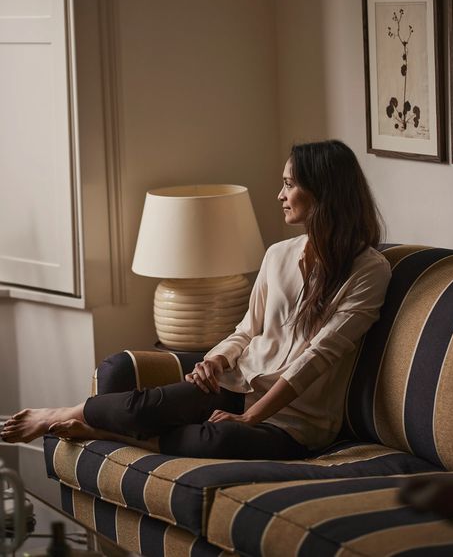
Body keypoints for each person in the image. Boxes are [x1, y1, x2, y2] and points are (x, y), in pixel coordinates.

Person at [1, 140, 391, 460]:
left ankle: (113, 435)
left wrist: (251, 418)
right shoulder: (279, 255)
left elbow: (318, 357)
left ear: (323, 191)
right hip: (237, 383)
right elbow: (247, 330)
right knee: (143, 405)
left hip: (295, 421)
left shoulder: (369, 270)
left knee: (217, 440)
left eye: (289, 184)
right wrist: (216, 359)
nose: (280, 195)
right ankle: (56, 412)